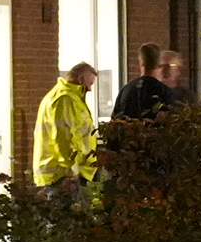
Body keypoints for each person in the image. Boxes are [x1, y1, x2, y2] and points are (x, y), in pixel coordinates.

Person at [31, 60, 101, 196]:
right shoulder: (65, 99)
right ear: (81, 79)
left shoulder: (68, 97)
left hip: (63, 173)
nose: (90, 89)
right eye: (90, 84)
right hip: (62, 175)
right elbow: (62, 138)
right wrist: (71, 171)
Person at [113, 43, 190, 122]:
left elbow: (115, 122)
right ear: (158, 63)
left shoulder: (125, 91)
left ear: (141, 62)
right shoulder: (164, 92)